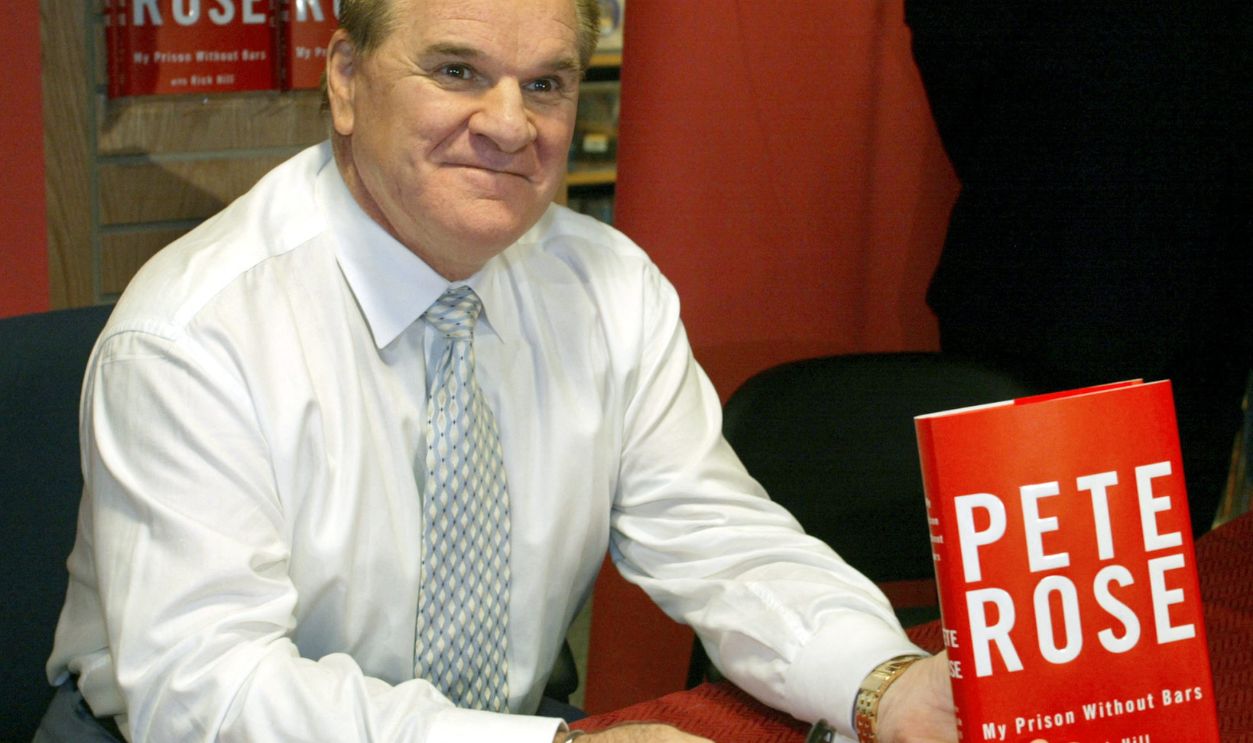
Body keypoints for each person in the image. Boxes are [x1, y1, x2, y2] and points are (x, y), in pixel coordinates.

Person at [40, 0, 956, 741]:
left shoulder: (607, 287)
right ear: (347, 81)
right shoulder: (197, 333)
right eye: (456, 71)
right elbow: (208, 692)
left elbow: (716, 536)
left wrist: (882, 680)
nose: (511, 125)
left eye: (546, 83)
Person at [905, 2, 1253, 538]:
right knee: (1034, 565)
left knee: (1169, 564)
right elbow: (961, 63)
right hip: (1049, 287)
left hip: (1204, 297)